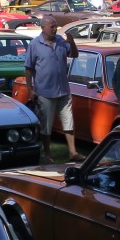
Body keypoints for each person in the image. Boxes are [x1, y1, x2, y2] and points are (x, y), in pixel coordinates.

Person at [24, 15, 79, 163]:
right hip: (45, 92)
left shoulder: (61, 41)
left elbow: (74, 55)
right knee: (46, 127)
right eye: (52, 26)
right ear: (43, 28)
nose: (55, 29)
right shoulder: (35, 45)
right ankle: (48, 154)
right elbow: (28, 69)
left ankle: (73, 152)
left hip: (63, 90)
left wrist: (72, 42)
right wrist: (30, 89)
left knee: (69, 122)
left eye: (55, 26)